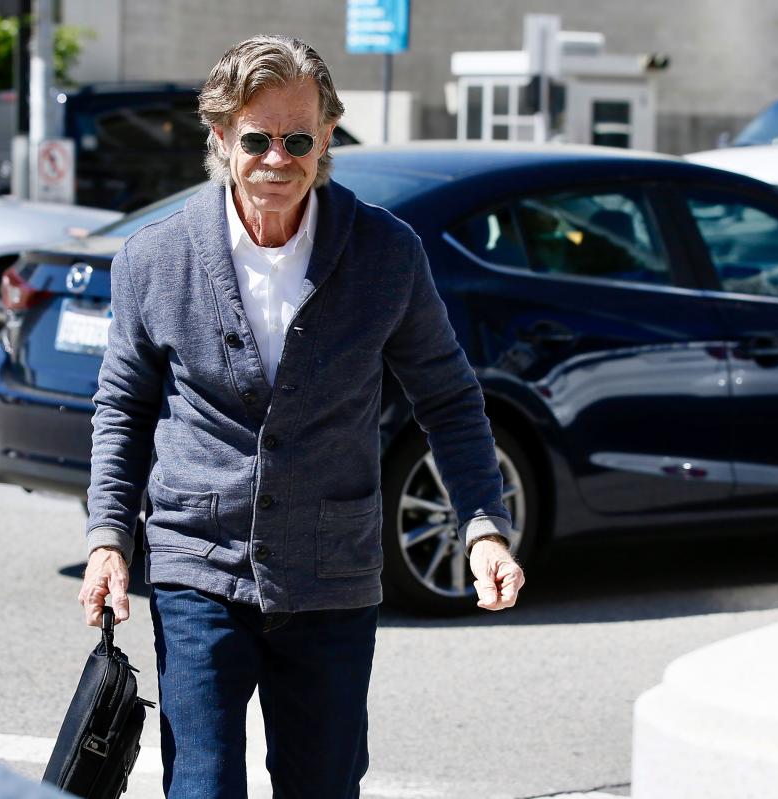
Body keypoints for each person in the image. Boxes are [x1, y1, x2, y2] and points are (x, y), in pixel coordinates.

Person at [77, 33, 525, 799]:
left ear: (325, 139)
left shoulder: (387, 254)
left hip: (333, 577)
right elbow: (123, 406)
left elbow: (447, 397)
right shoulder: (155, 259)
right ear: (221, 137)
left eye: (298, 139)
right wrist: (108, 537)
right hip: (199, 565)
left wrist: (481, 523)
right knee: (204, 785)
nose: (277, 159)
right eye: (256, 138)